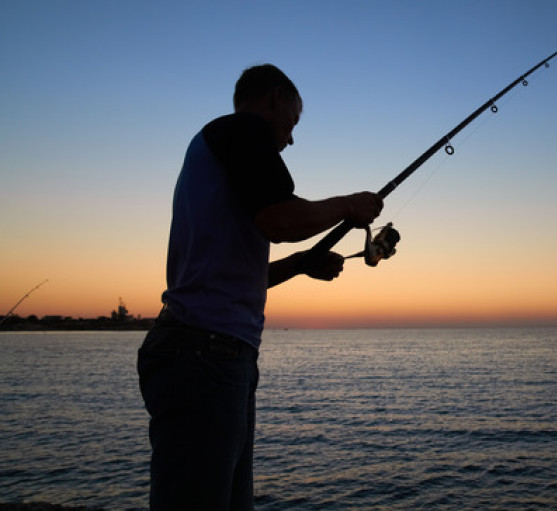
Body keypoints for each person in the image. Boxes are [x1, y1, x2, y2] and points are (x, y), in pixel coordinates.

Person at [137, 64, 383, 510]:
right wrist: (349, 205)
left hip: (210, 353)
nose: (290, 138)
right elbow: (280, 219)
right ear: (274, 98)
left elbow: (238, 274)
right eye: (293, 121)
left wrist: (301, 264)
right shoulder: (243, 131)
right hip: (204, 355)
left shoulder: (220, 150)